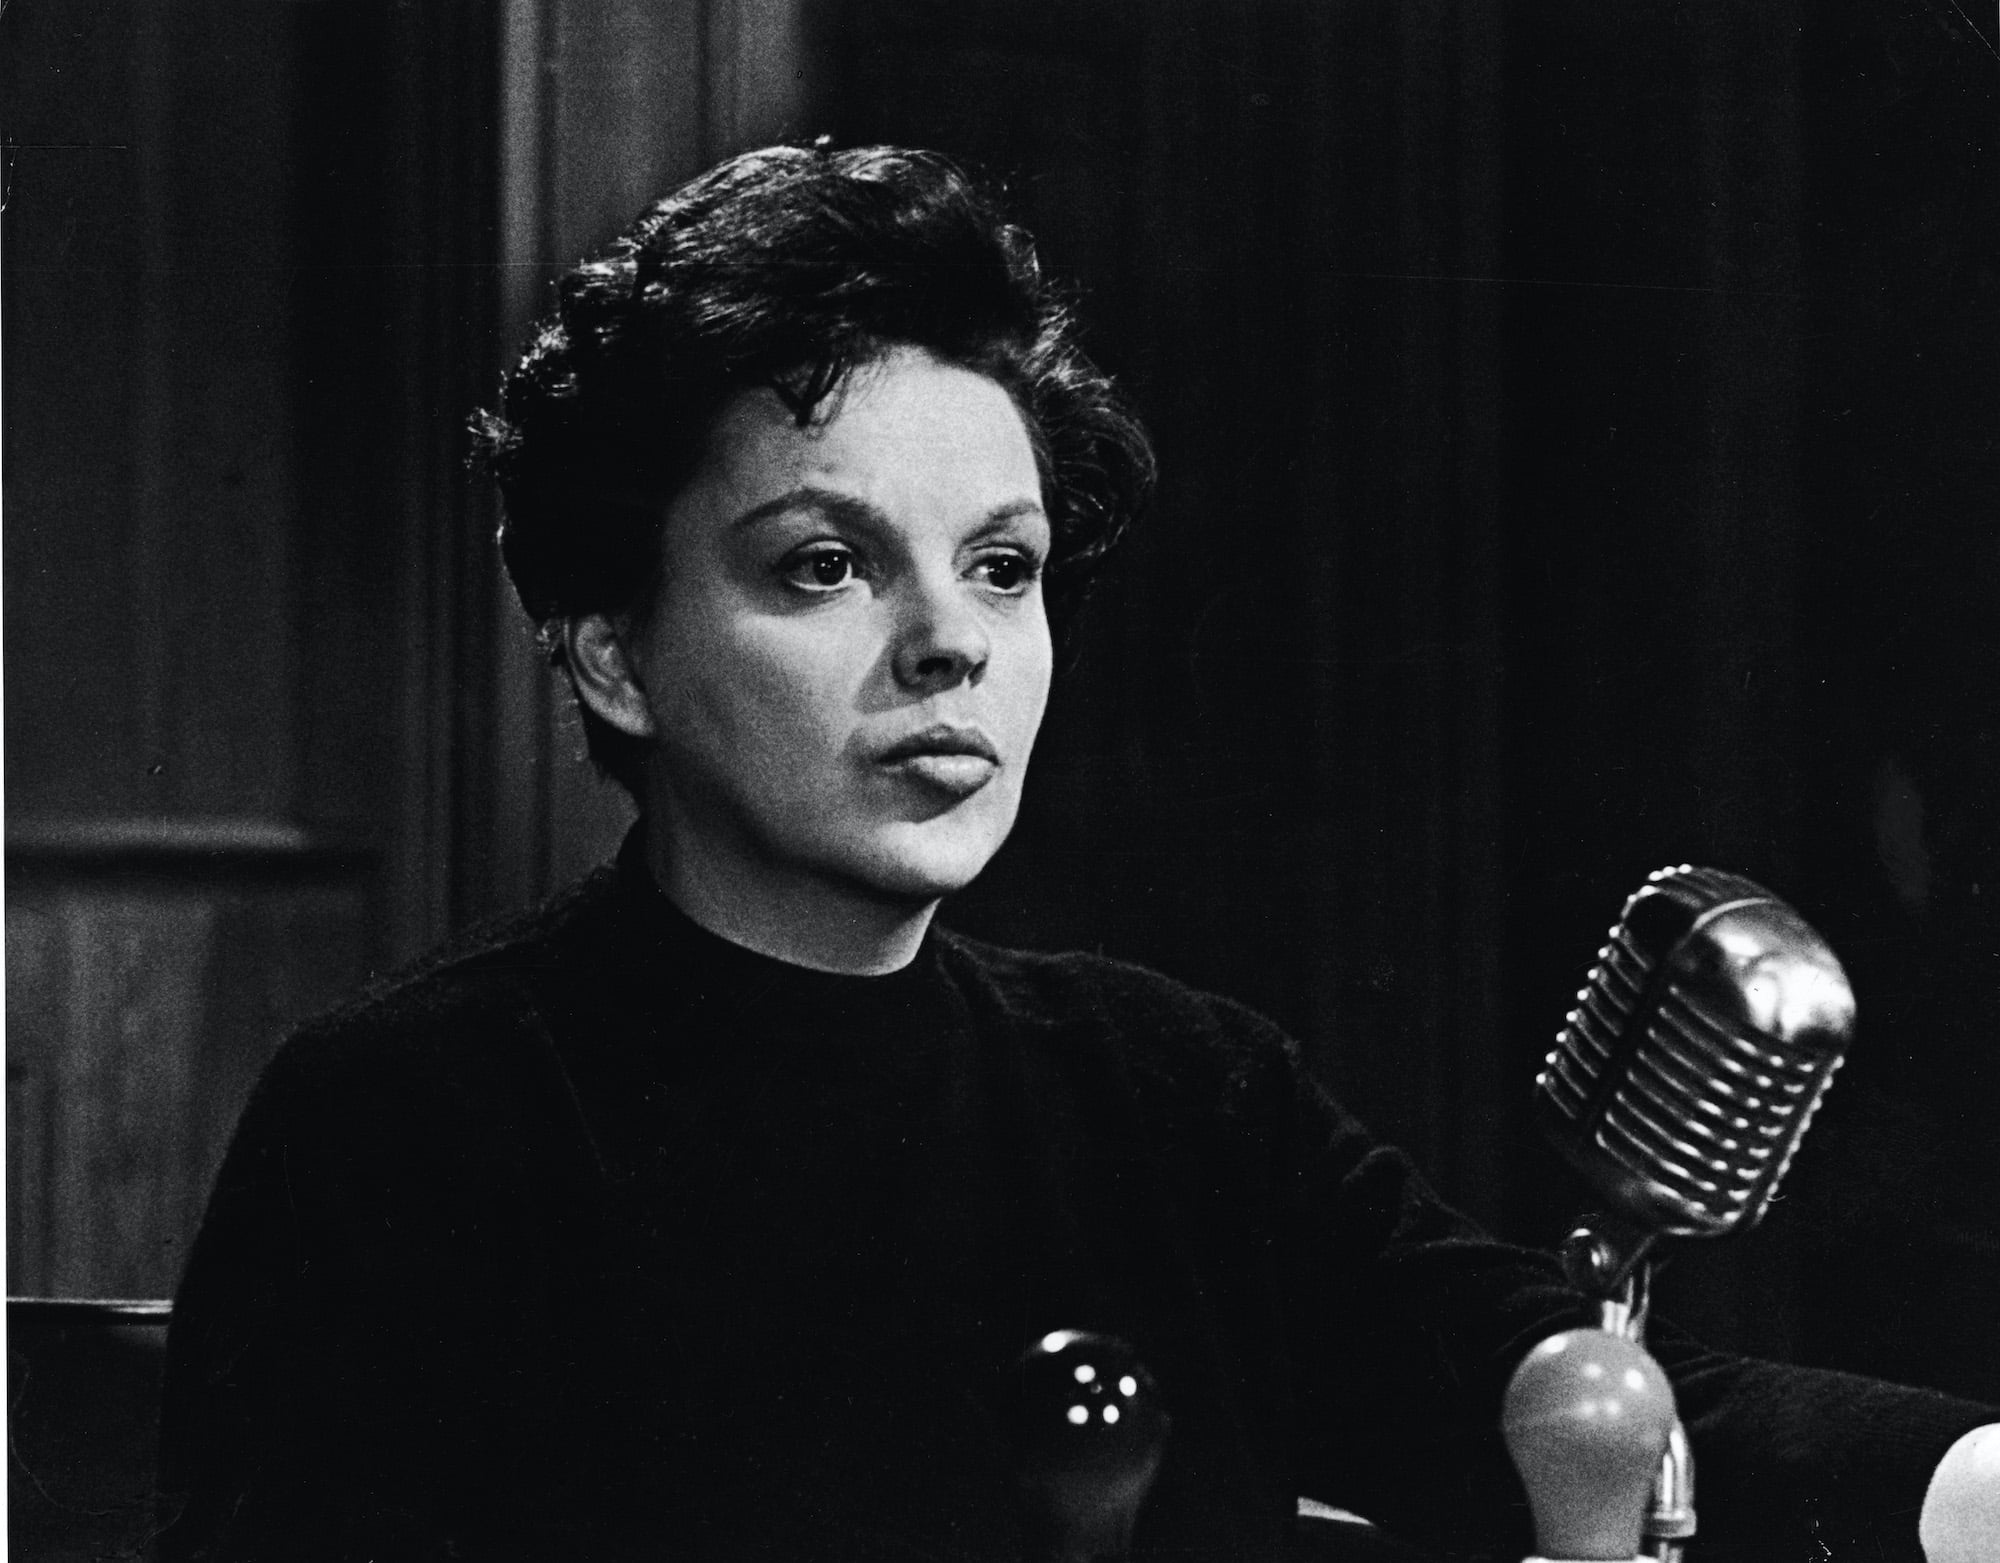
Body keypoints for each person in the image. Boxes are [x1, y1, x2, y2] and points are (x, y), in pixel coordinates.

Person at [154, 144, 1995, 1563]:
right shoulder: (406, 1122)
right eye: (825, 564)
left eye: (1004, 566)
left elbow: (1555, 1384)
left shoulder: (1170, 1094)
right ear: (613, 655)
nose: (949, 645)